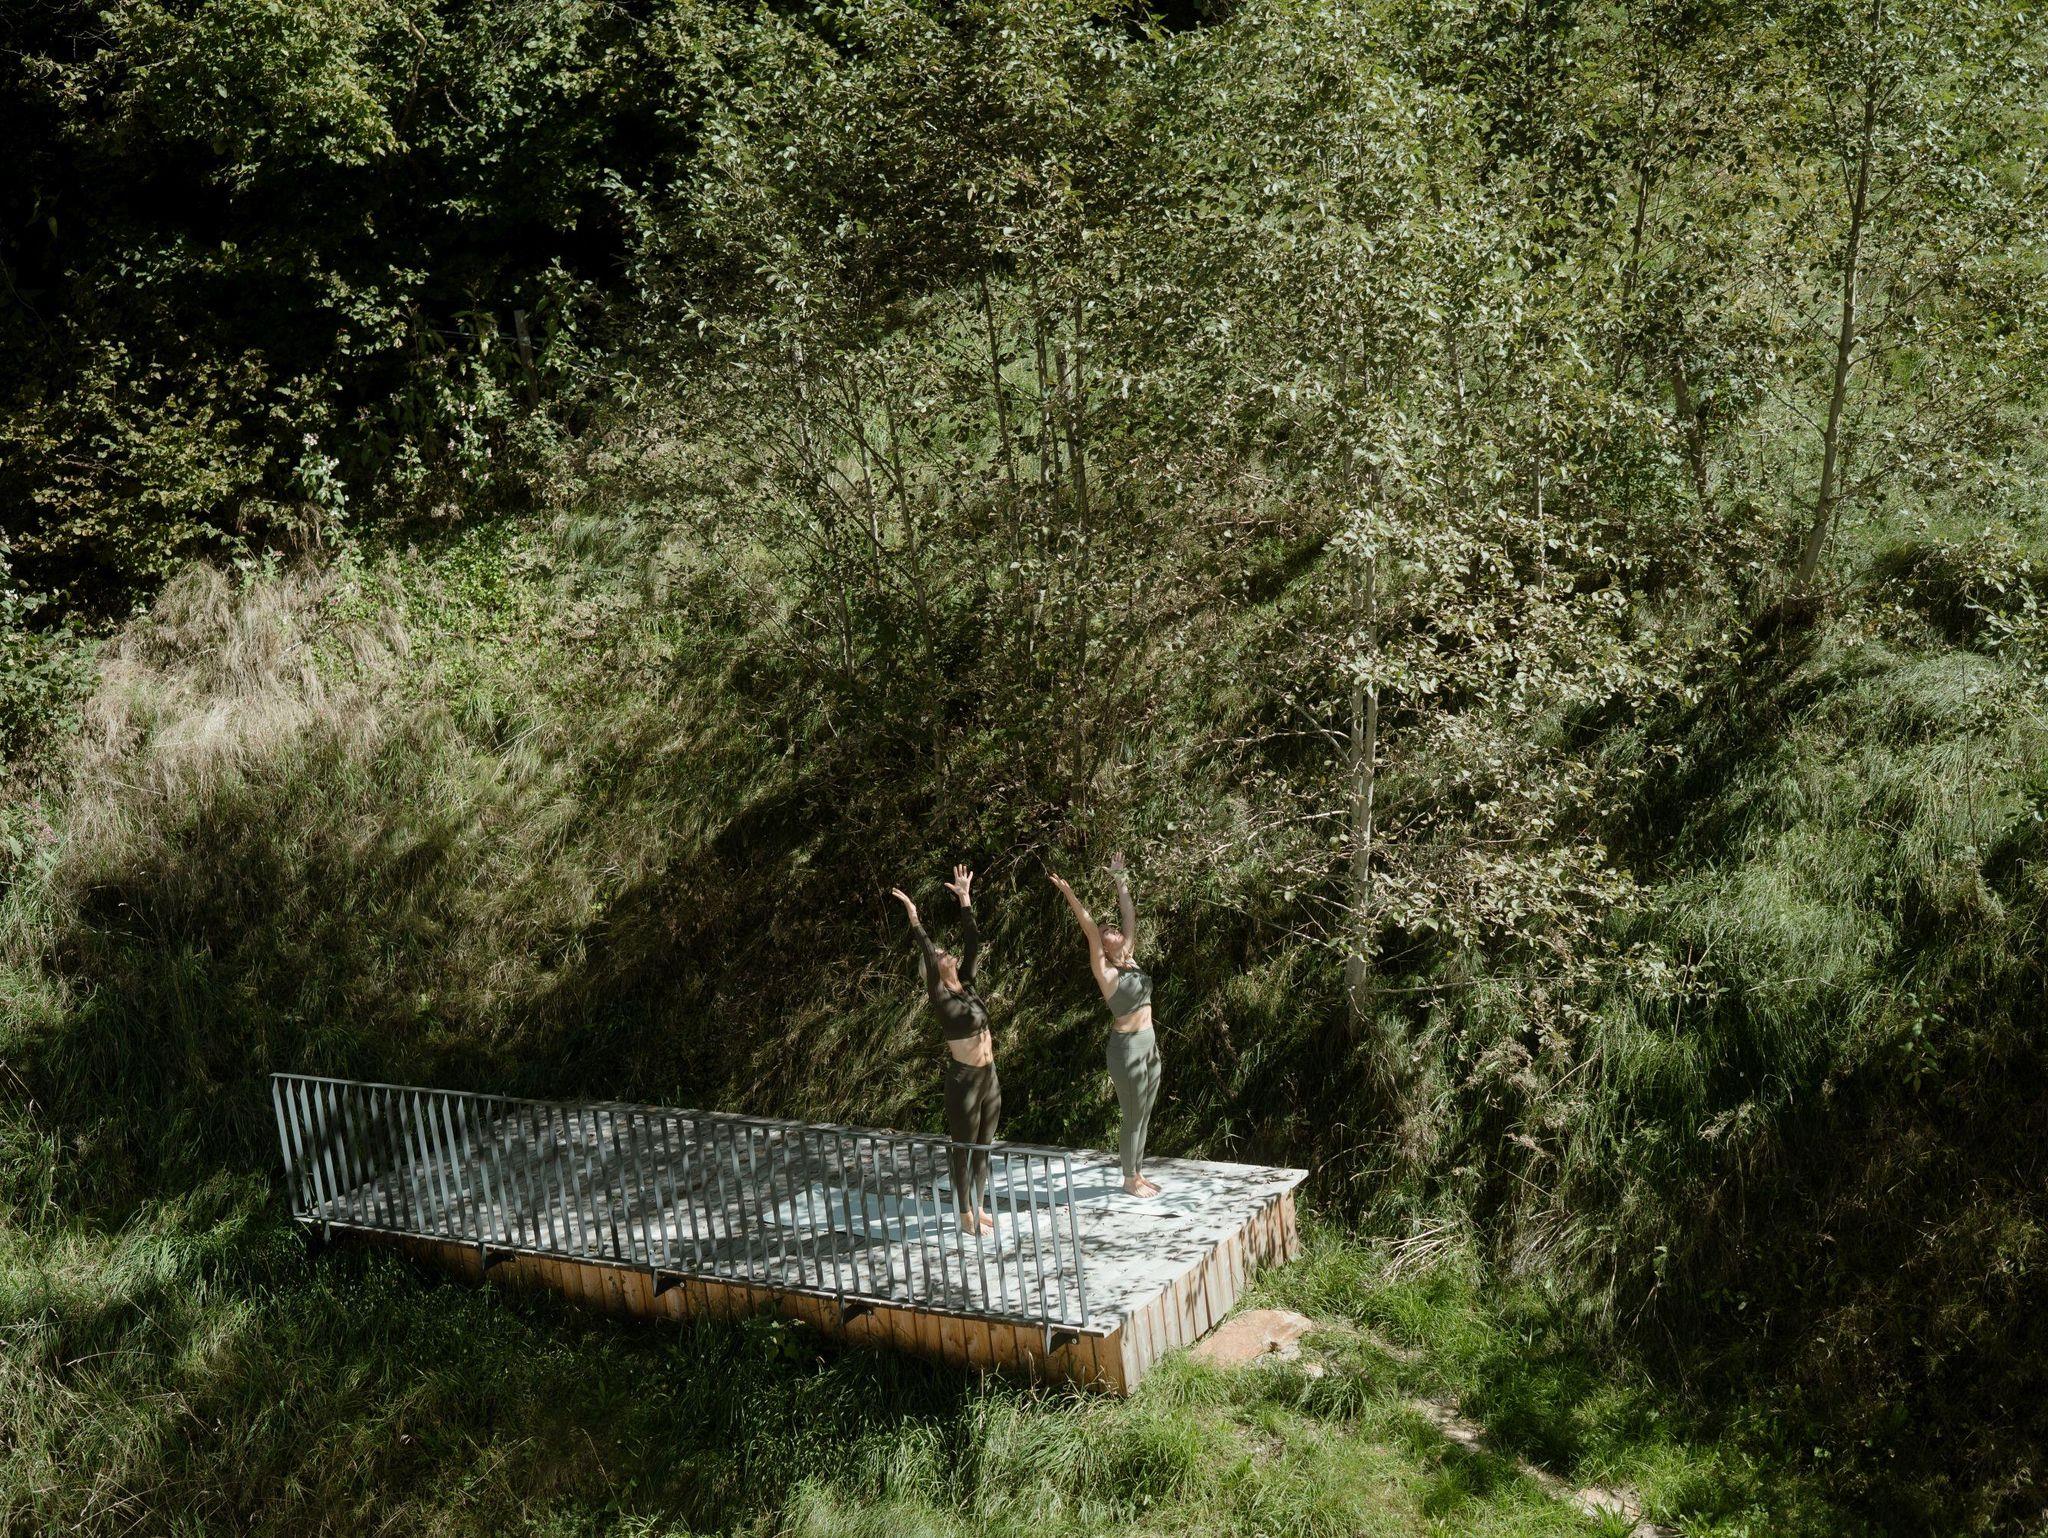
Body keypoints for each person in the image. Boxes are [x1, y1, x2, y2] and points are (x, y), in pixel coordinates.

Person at [890, 865, 1000, 1235]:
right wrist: (914, 918)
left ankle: (979, 1205)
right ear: (932, 969)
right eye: (938, 954)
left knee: (984, 1146)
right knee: (963, 1148)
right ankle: (964, 1213)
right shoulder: (940, 998)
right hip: (965, 1080)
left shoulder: (967, 984)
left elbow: (973, 942)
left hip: (989, 1077)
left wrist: (965, 900)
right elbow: (926, 950)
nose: (944, 952)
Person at [1050, 853, 1162, 1196]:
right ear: (1100, 943)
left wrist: (1120, 876)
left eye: (1112, 928)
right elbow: (1088, 927)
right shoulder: (1106, 972)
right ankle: (1129, 1179)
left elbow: (1128, 913)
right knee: (1132, 1115)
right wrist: (1070, 894)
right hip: (1127, 1050)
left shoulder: (1129, 957)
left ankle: (1138, 1172)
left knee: (1144, 1113)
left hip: (1149, 1046)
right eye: (1105, 930)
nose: (1110, 927)